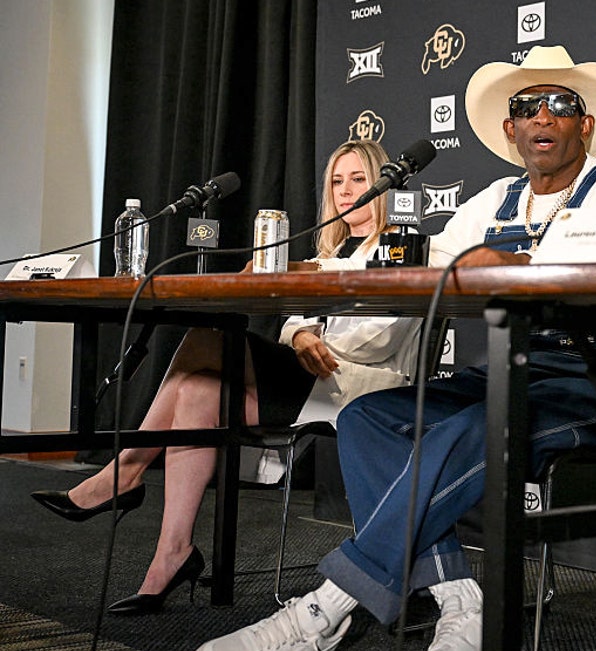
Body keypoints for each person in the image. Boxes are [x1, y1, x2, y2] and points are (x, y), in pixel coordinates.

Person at [191, 45, 596, 651]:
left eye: (560, 104)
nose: (542, 117)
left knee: (474, 426)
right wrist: (303, 267)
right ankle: (464, 605)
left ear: (586, 124)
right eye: (527, 106)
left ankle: (324, 612)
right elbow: (419, 263)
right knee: (367, 418)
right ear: (510, 128)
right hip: (510, 372)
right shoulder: (494, 199)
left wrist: (519, 264)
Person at [30, 139, 424, 616]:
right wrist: (301, 335)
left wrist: (309, 338)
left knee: (208, 337)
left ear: (383, 184)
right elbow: (294, 321)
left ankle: (125, 471)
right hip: (309, 375)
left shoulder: (406, 244)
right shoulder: (333, 248)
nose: (345, 191)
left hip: (354, 384)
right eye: (337, 181)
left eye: (358, 179)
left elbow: (381, 338)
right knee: (197, 388)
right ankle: (172, 552)